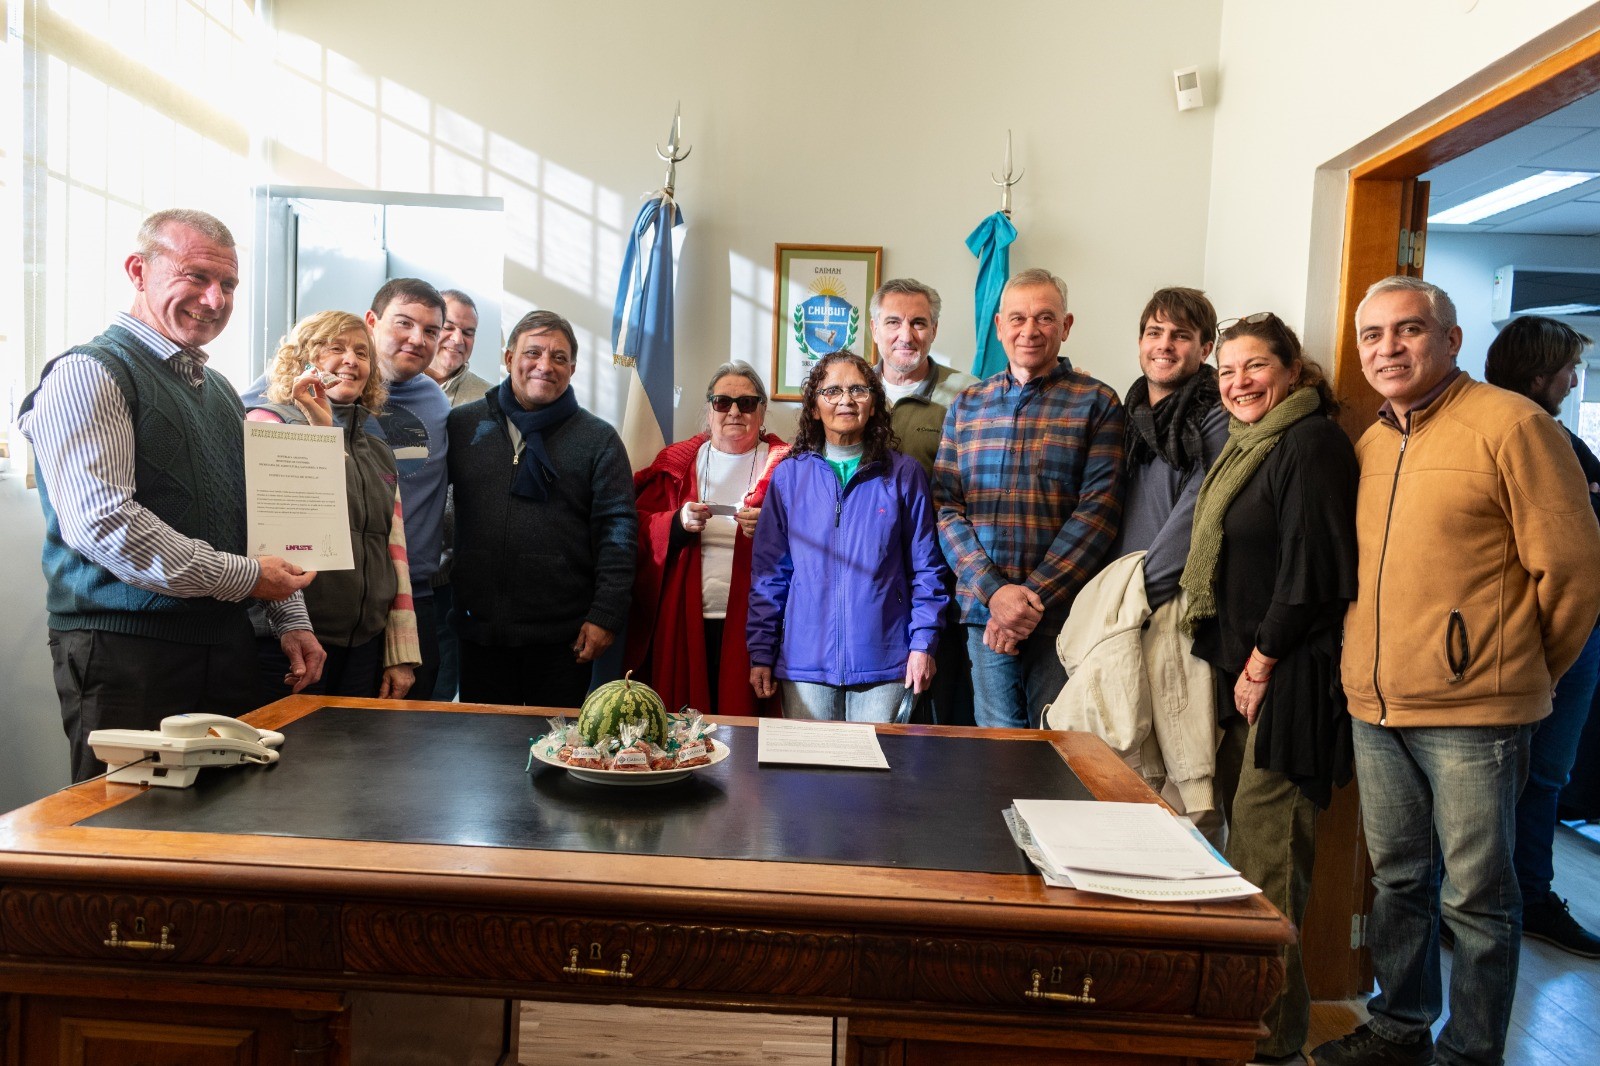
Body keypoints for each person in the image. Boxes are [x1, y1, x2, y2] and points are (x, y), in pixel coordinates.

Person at [1314, 277, 1600, 1066]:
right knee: (1399, 884)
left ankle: (1470, 1053)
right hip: (1376, 704)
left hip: (1477, 713)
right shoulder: (1369, 439)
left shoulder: (1513, 426)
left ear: (1451, 340)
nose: (1388, 349)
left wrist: (1519, 675)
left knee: (1477, 899)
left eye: (1408, 331)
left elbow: (1573, 574)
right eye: (1374, 335)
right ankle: (1400, 1029)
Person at [17, 209, 322, 782]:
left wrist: (290, 618)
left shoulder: (223, 392)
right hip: (125, 652)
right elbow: (105, 524)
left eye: (228, 284)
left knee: (222, 826)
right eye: (197, 276)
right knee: (123, 833)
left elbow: (250, 515)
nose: (215, 299)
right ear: (139, 270)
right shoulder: (90, 373)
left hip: (222, 647)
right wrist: (244, 578)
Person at [1179, 312, 1358, 1066]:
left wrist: (1260, 663)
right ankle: (1247, 1028)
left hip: (1288, 681)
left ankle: (1275, 1044)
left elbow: (1312, 573)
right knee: (1241, 860)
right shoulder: (1248, 444)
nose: (1238, 382)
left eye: (1254, 366)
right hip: (1244, 675)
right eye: (1226, 371)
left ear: (1292, 369)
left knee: (1267, 866)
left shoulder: (1310, 442)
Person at [933, 267, 1124, 728]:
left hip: (1063, 613)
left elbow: (1097, 513)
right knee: (996, 742)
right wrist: (996, 594)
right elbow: (945, 507)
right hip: (984, 612)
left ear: (1066, 325)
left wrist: (1028, 600)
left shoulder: (1097, 402)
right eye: (1017, 318)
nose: (1029, 330)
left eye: (1044, 318)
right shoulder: (967, 405)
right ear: (999, 326)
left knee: (1056, 742)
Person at [446, 309, 636, 708]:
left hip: (563, 641)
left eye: (559, 357)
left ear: (572, 368)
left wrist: (605, 615)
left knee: (553, 758)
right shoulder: (462, 426)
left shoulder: (598, 440)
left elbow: (617, 533)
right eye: (533, 353)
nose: (545, 366)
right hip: (477, 634)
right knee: (483, 756)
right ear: (509, 357)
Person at [1484, 314, 1600, 958]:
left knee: (1541, 777)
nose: (1573, 380)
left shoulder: (1552, 436)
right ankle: (1512, 899)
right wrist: (1554, 658)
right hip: (1550, 637)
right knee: (1520, 777)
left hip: (1571, 632)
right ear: (1540, 375)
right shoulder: (1527, 436)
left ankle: (1527, 895)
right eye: (1566, 371)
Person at [748, 352, 947, 721]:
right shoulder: (789, 477)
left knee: (877, 776)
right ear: (813, 407)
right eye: (832, 390)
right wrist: (761, 650)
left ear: (873, 406)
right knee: (810, 778)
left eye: (858, 389)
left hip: (885, 662)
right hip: (804, 664)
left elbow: (927, 571)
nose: (846, 400)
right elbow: (769, 575)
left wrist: (923, 644)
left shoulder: (904, 474)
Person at [244, 311, 419, 701]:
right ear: (304, 359)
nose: (351, 361)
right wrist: (319, 430)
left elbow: (395, 554)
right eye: (335, 349)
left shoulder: (377, 451)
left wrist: (400, 652)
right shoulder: (269, 425)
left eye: (362, 352)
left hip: (364, 646)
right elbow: (277, 543)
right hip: (295, 643)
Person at [626, 361, 786, 716]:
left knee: (745, 724)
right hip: (686, 617)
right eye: (722, 402)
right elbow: (635, 526)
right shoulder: (677, 464)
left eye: (746, 403)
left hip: (756, 624)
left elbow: (817, 536)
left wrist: (773, 532)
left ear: (762, 411)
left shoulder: (788, 468)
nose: (734, 411)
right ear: (708, 410)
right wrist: (676, 524)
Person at [871, 277, 978, 725]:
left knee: (936, 719)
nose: (905, 334)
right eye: (893, 322)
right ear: (875, 329)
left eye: (918, 323)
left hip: (941, 584)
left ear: (934, 330)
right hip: (870, 585)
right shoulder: (848, 392)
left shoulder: (969, 395)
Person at [364, 278, 451, 700]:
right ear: (371, 322)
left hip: (416, 596)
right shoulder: (324, 385)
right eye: (404, 323)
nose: (418, 339)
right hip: (344, 600)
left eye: (431, 331)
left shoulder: (436, 402)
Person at [423, 288, 493, 702]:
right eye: (447, 327)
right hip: (384, 571)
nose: (456, 339)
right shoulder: (379, 388)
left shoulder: (488, 400)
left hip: (449, 575)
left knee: (441, 688)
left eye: (468, 332)